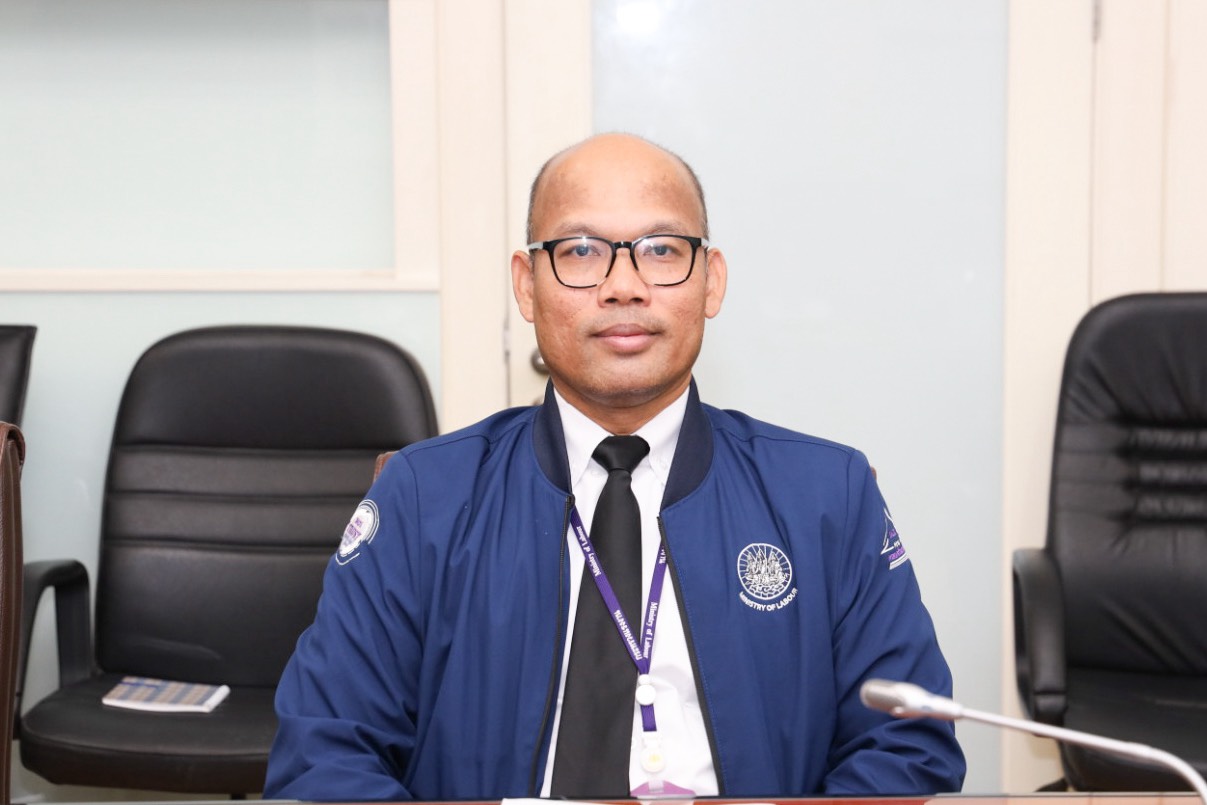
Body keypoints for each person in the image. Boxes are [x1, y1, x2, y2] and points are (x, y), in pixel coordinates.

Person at [264, 133, 965, 800]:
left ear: (711, 281)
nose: (623, 286)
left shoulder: (826, 496)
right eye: (580, 251)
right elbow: (325, 751)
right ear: (526, 286)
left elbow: (905, 742)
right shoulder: (424, 497)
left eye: (661, 250)